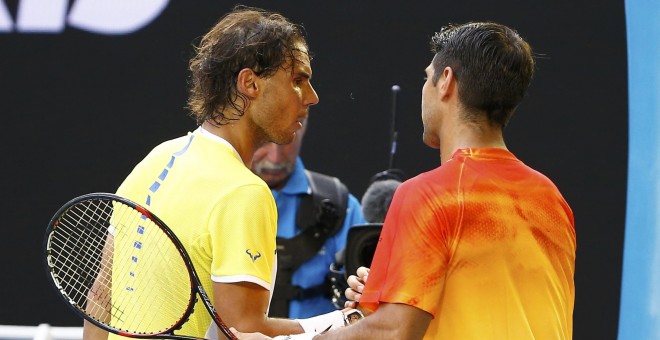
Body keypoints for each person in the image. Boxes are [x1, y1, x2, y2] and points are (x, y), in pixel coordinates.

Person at [232, 21, 576, 340]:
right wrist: (381, 301)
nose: (424, 90)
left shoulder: (430, 195)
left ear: (446, 82)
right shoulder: (551, 199)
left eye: (427, 78)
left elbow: (393, 331)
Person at [82, 6, 361, 340]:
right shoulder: (244, 192)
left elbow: (100, 301)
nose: (312, 97)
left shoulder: (156, 159)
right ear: (250, 83)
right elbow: (245, 333)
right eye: (298, 80)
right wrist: (350, 322)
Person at [251, 119, 366, 319]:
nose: (275, 158)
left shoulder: (340, 205)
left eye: (286, 141)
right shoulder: (215, 201)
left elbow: (365, 304)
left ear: (302, 128)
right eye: (265, 141)